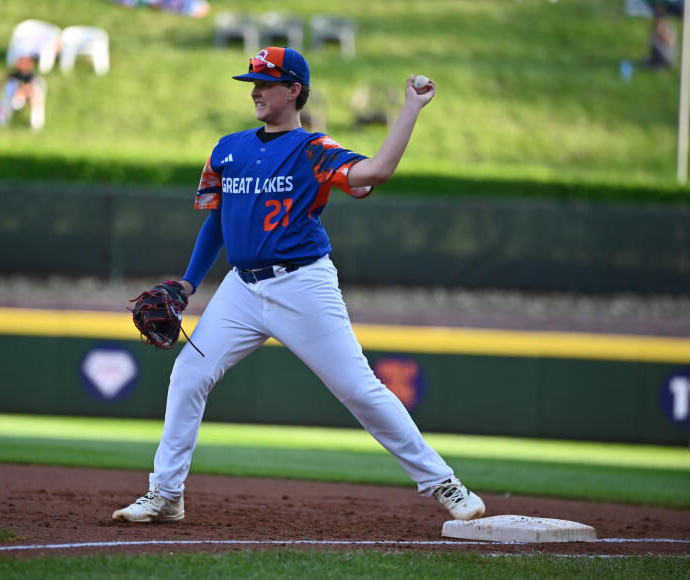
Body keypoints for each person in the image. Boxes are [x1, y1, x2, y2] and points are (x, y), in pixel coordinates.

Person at [112, 47, 486, 524]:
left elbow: (377, 171)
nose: (255, 91)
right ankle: (166, 495)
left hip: (303, 285)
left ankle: (445, 485)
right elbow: (218, 223)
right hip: (240, 290)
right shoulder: (228, 149)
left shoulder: (314, 151)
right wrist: (188, 282)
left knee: (359, 389)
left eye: (265, 83)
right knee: (188, 375)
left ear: (294, 90)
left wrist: (411, 108)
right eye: (252, 82)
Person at [0, 55, 47, 131]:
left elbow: (33, 89)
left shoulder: (33, 77)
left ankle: (35, 125)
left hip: (25, 97)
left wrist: (22, 90)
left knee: (36, 99)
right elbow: (6, 87)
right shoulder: (13, 76)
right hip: (13, 98)